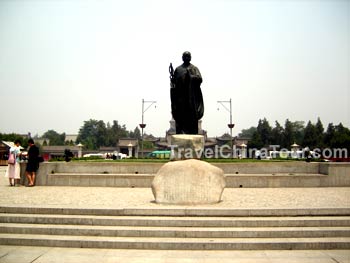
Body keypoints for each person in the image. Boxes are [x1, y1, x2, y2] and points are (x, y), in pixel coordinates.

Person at [170, 51, 204, 134]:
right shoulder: (178, 69)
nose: (186, 58)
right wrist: (173, 79)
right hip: (181, 97)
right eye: (185, 56)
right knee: (181, 114)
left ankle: (192, 131)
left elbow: (200, 79)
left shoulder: (194, 68)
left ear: (190, 57)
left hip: (191, 97)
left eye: (188, 56)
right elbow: (174, 83)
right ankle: (181, 131)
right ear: (182, 58)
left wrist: (191, 76)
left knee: (191, 115)